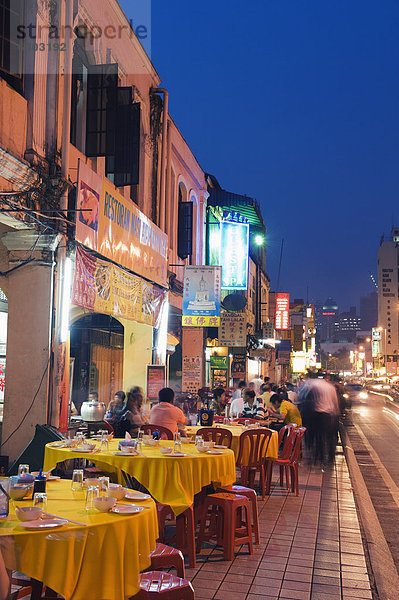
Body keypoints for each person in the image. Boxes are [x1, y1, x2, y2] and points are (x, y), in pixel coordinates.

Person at [299, 376, 340, 467]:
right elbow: (335, 403)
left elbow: (304, 397)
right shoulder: (331, 387)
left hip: (318, 414)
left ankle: (318, 457)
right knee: (328, 437)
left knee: (318, 437)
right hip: (330, 414)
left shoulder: (314, 385)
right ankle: (329, 458)